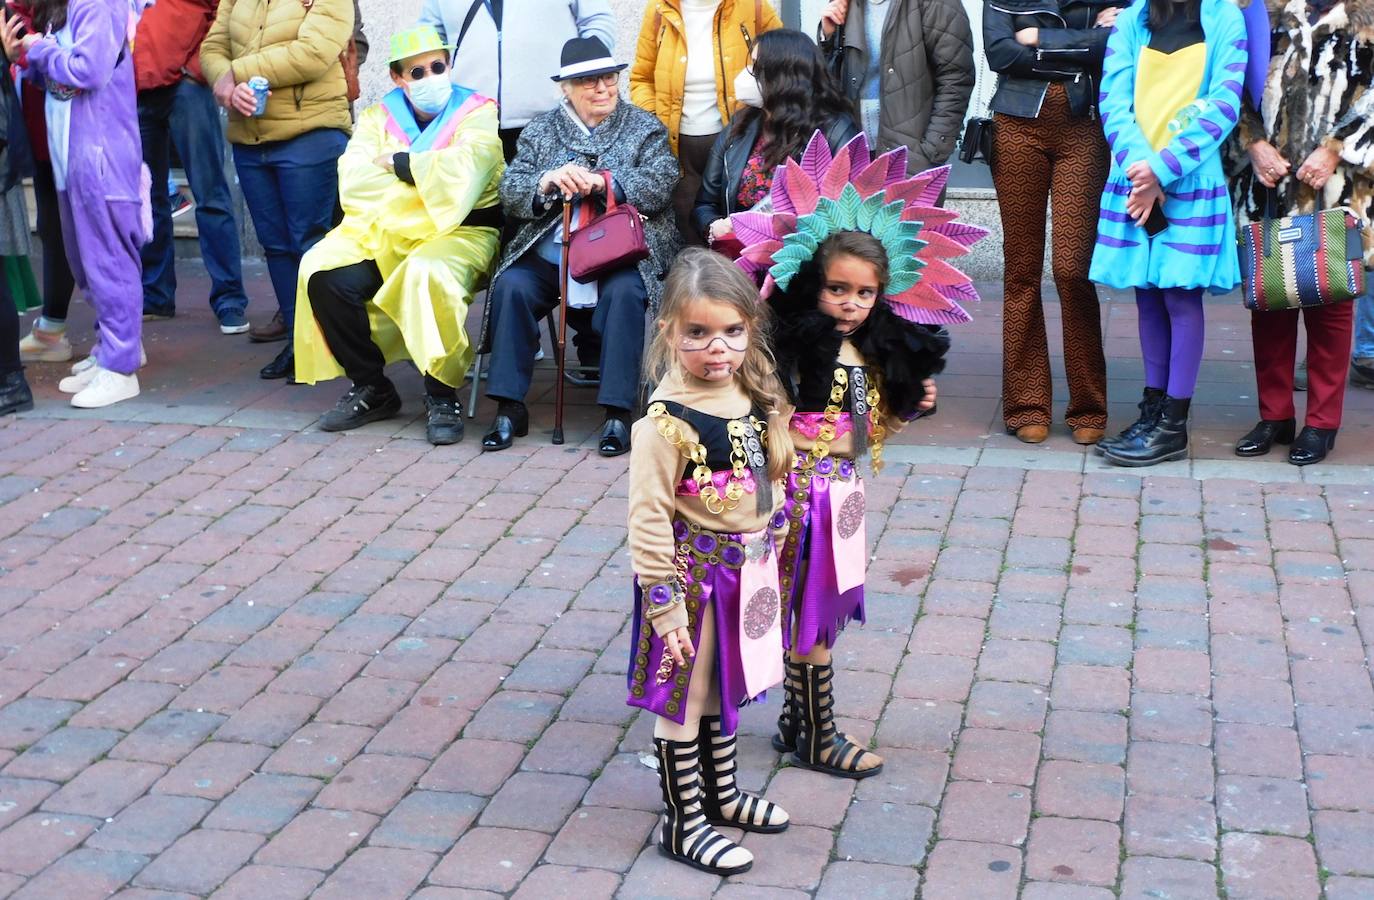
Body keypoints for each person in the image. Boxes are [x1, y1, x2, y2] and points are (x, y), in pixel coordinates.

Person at [732, 131, 983, 778]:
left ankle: (797, 721)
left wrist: (903, 406)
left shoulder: (870, 353)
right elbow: (779, 431)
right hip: (791, 503)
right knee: (809, 618)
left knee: (821, 615)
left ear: (883, 294)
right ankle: (817, 734)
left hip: (840, 498)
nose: (849, 303)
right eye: (837, 288)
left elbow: (867, 436)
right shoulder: (783, 351)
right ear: (812, 280)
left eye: (864, 294)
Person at [627, 247, 792, 876]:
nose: (717, 348)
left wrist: (769, 534)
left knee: (724, 683)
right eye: (698, 333)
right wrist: (664, 612)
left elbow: (763, 478)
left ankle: (720, 797)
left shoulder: (749, 397)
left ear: (750, 330)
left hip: (743, 570)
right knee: (685, 696)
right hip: (689, 581)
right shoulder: (664, 424)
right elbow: (646, 520)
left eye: (731, 331)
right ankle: (682, 821)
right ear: (670, 330)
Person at [293, 26, 503, 446]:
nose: (430, 77)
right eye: (417, 71)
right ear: (397, 77)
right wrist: (427, 177)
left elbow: (466, 170)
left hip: (462, 231)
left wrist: (403, 164)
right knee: (321, 271)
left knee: (427, 272)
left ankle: (441, 394)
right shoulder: (377, 117)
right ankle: (372, 386)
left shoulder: (477, 112)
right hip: (384, 231)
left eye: (437, 66)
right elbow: (354, 178)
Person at [481, 36, 679, 457]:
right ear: (565, 88)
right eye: (589, 81)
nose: (603, 88)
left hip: (619, 252)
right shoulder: (540, 129)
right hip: (553, 251)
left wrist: (606, 182)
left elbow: (662, 182)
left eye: (609, 77)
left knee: (626, 292)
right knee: (512, 285)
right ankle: (508, 407)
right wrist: (546, 182)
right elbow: (510, 189)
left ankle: (617, 413)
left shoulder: (644, 126)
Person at [1087, 0, 1245, 467]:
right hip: (1135, 179)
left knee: (1180, 296)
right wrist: (1143, 172)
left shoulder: (1223, 17)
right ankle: (1152, 414)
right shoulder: (1132, 21)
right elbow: (1113, 101)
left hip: (1189, 181)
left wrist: (1162, 169)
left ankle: (1173, 425)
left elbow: (1225, 102)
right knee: (1147, 295)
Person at [1230, 0, 1374, 465]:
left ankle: (1321, 423)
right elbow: (1232, 79)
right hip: (1268, 180)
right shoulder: (1262, 10)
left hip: (1337, 185)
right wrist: (1253, 144)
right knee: (1270, 300)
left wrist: (1335, 150)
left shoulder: (1366, 13)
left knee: (1331, 303)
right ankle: (1274, 415)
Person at [2, 0, 148, 409]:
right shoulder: (65, 6)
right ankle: (114, 350)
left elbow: (90, 69)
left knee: (110, 262)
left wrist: (38, 49)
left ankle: (121, 369)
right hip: (74, 157)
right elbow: (55, 74)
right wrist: (26, 58)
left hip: (100, 156)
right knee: (86, 262)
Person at [984, 0, 1119, 445]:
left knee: (1072, 270)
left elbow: (1111, 46)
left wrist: (1041, 40)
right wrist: (1077, 49)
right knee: (1021, 271)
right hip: (1016, 125)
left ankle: (1088, 405)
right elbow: (1000, 54)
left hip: (1083, 128)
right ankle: (1026, 403)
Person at [200, 0, 353, 380]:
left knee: (311, 243)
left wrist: (235, 72)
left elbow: (314, 53)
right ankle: (298, 343)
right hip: (250, 138)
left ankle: (334, 344)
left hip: (309, 134)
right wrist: (227, 87)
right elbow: (212, 46)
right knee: (277, 246)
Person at [135, 0, 252, 334]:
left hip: (186, 87)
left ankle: (229, 299)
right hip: (135, 88)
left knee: (210, 193)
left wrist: (195, 71)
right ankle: (156, 295)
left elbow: (223, 14)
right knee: (148, 199)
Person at [691, 28, 859, 251]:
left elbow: (847, 216)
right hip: (740, 257)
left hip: (804, 261)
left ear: (783, 78)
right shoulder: (740, 125)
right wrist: (713, 227)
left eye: (754, 67)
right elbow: (705, 203)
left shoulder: (835, 131)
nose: (744, 75)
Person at [629, 0, 783, 244]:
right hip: (678, 146)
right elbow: (641, 78)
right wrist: (655, 122)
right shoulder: (659, 9)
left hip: (737, 138)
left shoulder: (753, 6)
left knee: (734, 231)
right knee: (688, 231)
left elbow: (785, 59)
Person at [418, 0, 615, 162]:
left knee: (548, 203)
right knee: (478, 209)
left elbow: (598, 23)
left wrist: (583, 83)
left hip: (552, 121)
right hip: (470, 126)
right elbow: (427, 42)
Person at [817, 0, 974, 174]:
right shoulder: (848, 3)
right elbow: (828, 80)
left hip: (911, 153)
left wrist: (932, 149)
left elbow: (956, 78)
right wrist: (828, 37)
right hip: (851, 150)